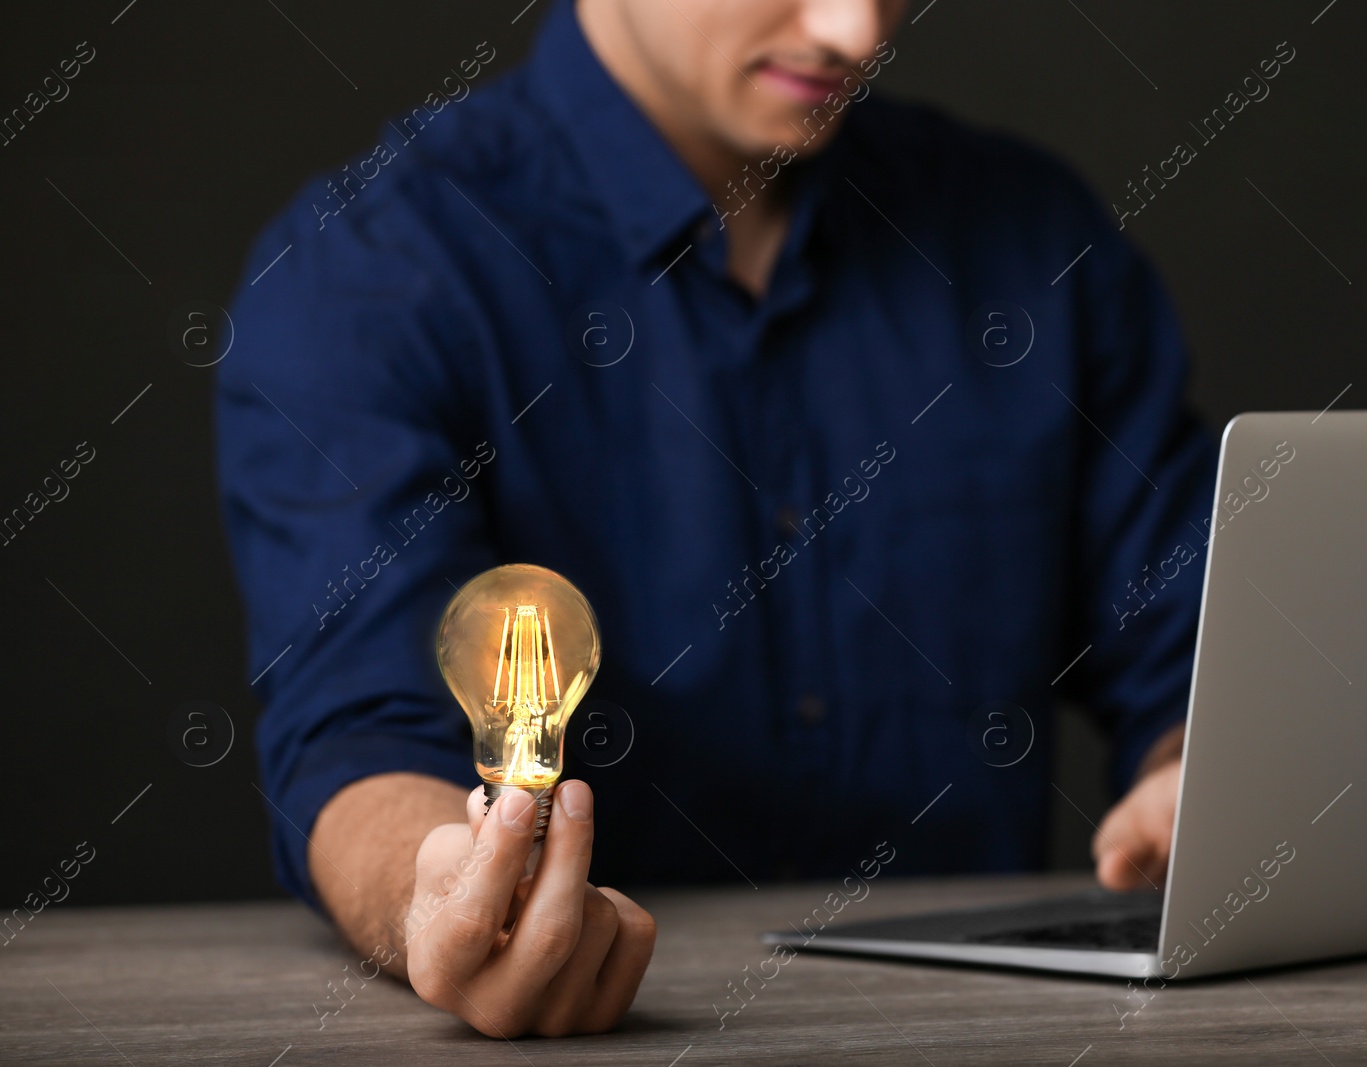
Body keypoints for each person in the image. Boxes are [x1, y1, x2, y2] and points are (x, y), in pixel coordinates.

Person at [217, 0, 1215, 1039]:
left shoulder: (1033, 237)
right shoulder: (366, 271)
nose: (854, 30)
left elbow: (1182, 648)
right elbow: (359, 734)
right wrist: (446, 904)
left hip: (989, 1033)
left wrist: (1195, 780)